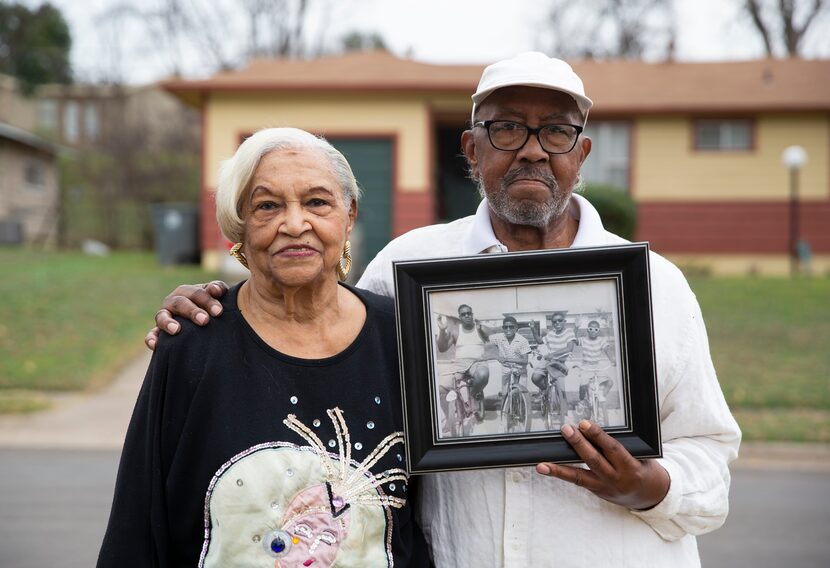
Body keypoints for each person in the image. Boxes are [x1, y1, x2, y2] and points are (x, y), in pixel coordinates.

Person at [146, 52, 741, 567]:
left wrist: (652, 487)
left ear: (581, 153)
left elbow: (709, 450)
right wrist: (215, 306)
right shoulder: (408, 269)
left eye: (555, 132)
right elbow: (314, 332)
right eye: (506, 129)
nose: (532, 151)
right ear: (471, 148)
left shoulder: (654, 288)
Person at [98, 128, 429, 567]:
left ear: (349, 215)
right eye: (267, 206)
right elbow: (138, 524)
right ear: (239, 225)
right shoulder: (192, 346)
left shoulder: (404, 337)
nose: (294, 225)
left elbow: (433, 515)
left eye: (317, 202)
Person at [434, 303, 491, 421]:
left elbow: (492, 340)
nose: (467, 316)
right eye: (463, 314)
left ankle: (473, 395)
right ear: (460, 317)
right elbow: (442, 348)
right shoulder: (455, 331)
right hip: (459, 364)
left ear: (472, 315)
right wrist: (442, 331)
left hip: (477, 362)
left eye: (469, 313)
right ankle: (450, 420)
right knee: (440, 389)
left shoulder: (480, 328)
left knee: (483, 374)